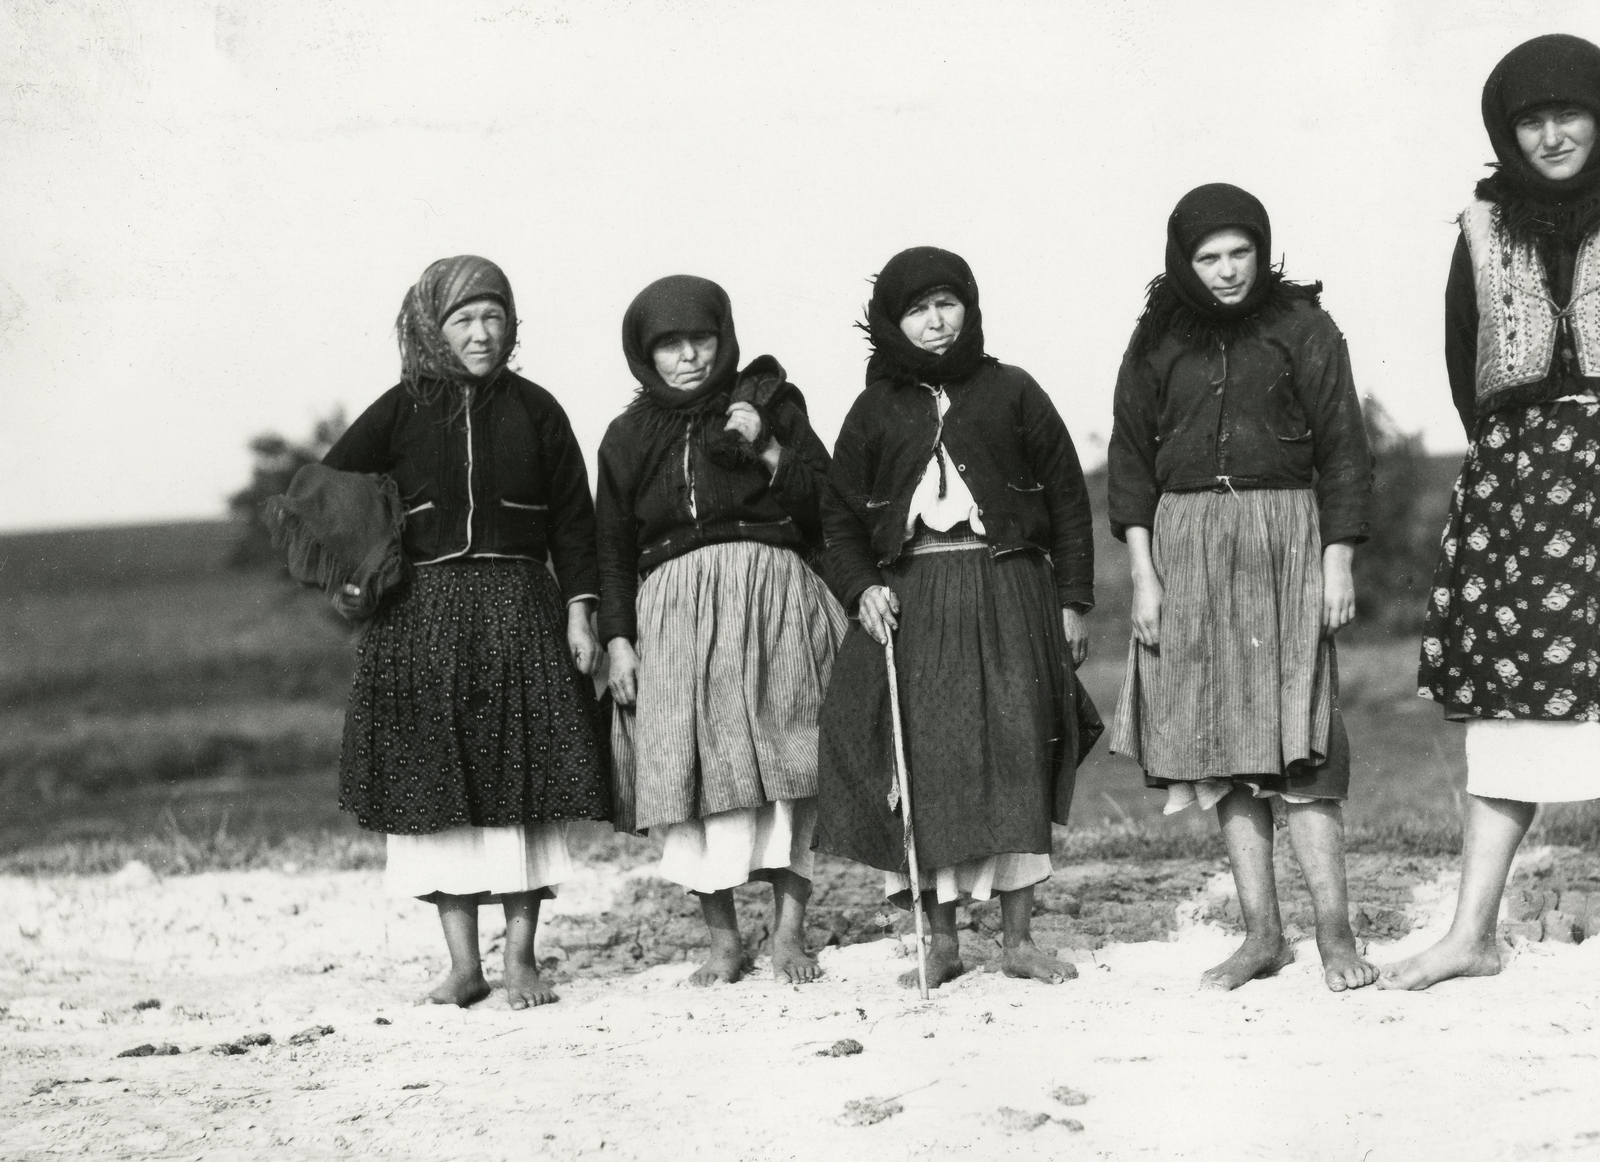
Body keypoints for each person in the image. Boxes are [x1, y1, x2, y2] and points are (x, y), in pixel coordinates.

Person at [320, 255, 609, 1009]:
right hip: (421, 619)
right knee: (434, 792)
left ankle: (521, 961)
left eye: (494, 317)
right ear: (430, 328)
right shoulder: (401, 409)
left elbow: (577, 519)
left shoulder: (538, 409)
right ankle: (462, 968)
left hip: (520, 610)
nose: (482, 335)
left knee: (521, 784)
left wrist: (581, 608)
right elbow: (330, 489)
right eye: (463, 320)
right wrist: (368, 566)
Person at [1107, 185, 1376, 993]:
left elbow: (1343, 448)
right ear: (1183, 263)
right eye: (1207, 257)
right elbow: (1129, 465)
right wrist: (1144, 576)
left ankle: (1336, 931)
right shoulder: (1155, 343)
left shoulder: (1303, 328)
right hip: (1187, 544)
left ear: (1262, 251)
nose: (1226, 272)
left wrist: (1338, 560)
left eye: (1239, 253)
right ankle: (1263, 935)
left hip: (1287, 540)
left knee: (1304, 737)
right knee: (1222, 745)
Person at [816, 246, 1099, 991]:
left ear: (969, 307)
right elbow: (839, 519)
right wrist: (860, 588)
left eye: (947, 303)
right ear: (892, 323)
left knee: (1016, 754)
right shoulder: (875, 410)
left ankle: (1018, 939)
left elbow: (1068, 497)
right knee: (926, 762)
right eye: (917, 309)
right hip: (914, 597)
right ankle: (939, 941)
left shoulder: (1013, 391)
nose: (935, 321)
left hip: (1008, 587)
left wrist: (1072, 601)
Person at [1383, 35, 1600, 990]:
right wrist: (1534, 461)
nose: (1553, 135)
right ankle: (1473, 933)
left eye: (1570, 113)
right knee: (1515, 714)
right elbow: (1464, 360)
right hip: (1524, 491)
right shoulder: (1480, 226)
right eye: (1531, 120)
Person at [596, 274, 847, 986]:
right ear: (646, 354)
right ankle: (723, 942)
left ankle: (789, 934)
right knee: (687, 773)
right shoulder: (626, 436)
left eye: (701, 339)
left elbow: (828, 506)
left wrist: (767, 446)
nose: (689, 357)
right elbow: (610, 547)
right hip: (673, 614)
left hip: (774, 599)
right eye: (669, 345)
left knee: (788, 765)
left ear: (723, 337)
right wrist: (619, 641)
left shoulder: (767, 403)